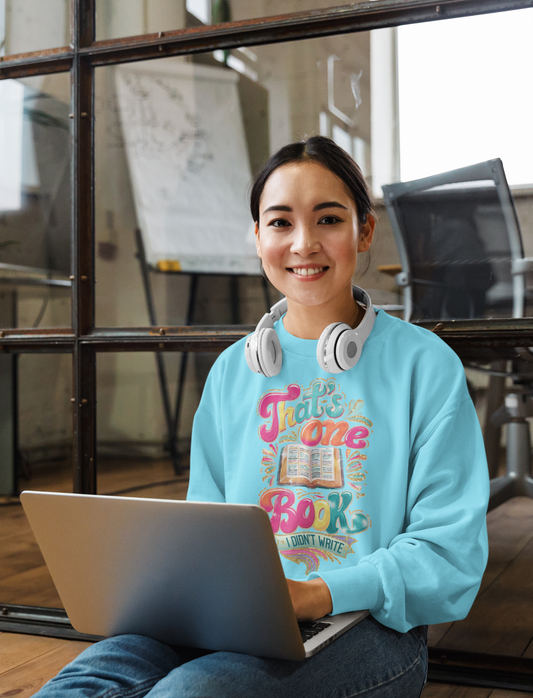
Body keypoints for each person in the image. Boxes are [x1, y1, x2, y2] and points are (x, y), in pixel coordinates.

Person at [34, 136, 489, 697]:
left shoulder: (425, 365)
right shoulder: (232, 372)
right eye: (279, 223)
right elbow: (203, 527)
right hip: (226, 616)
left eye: (328, 218)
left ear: (364, 231)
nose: (303, 243)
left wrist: (315, 592)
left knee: (189, 694)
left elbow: (448, 557)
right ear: (256, 238)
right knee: (76, 687)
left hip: (371, 627)